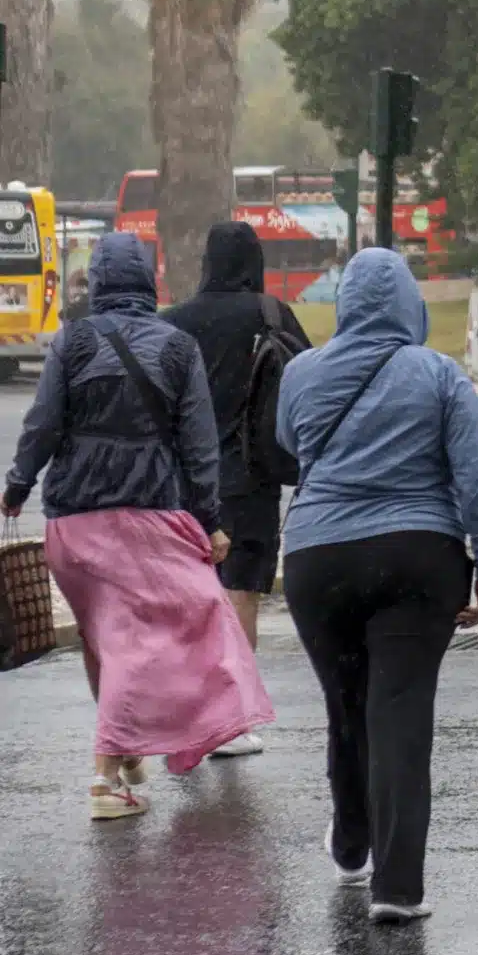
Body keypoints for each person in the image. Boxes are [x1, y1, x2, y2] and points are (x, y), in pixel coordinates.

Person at [2, 233, 275, 821]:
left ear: (98, 282)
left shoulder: (71, 342)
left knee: (105, 639)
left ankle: (126, 756)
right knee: (174, 627)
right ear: (148, 282)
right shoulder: (177, 349)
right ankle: (106, 777)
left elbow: (43, 424)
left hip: (72, 529)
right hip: (147, 517)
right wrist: (210, 522)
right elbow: (199, 449)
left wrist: (16, 487)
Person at [278, 247, 478, 925]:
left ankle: (351, 837)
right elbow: (476, 479)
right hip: (418, 556)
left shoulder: (302, 372)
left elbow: (290, 444)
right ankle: (398, 886)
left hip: (318, 557)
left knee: (346, 702)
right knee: (400, 711)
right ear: (409, 303)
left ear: (347, 303)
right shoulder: (439, 374)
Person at [163, 222, 314, 759]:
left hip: (181, 484)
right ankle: (229, 720)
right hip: (251, 479)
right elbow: (307, 381)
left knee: (188, 597)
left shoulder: (174, 323)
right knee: (240, 594)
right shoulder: (271, 314)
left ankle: (189, 713)